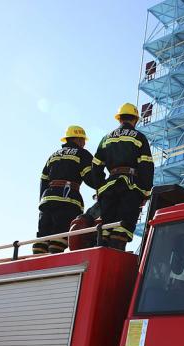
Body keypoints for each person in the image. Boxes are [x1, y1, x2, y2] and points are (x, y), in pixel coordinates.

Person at [91, 103, 154, 250]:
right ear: (135, 120)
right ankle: (115, 254)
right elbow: (146, 165)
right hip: (130, 187)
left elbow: (96, 166)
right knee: (123, 226)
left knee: (106, 227)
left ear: (119, 119)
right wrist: (145, 191)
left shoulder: (106, 138)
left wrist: (100, 188)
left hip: (109, 187)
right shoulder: (139, 137)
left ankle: (102, 253)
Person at [32, 126, 96, 254]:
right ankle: (54, 262)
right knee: (59, 238)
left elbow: (43, 180)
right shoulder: (82, 153)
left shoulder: (53, 156)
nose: (84, 144)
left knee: (42, 239)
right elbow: (90, 177)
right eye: (83, 140)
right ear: (78, 139)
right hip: (67, 200)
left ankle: (38, 262)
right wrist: (104, 188)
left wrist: (43, 201)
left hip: (47, 200)